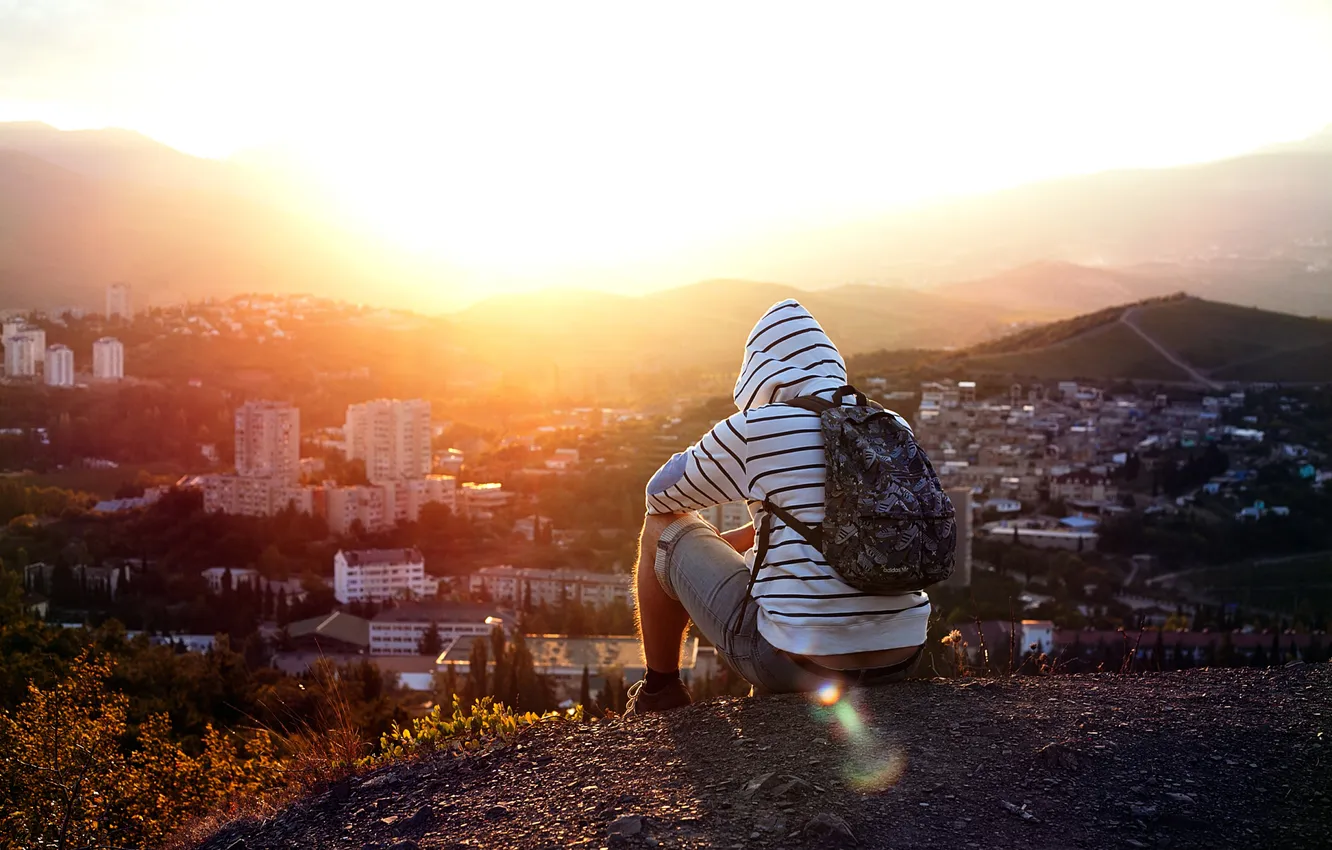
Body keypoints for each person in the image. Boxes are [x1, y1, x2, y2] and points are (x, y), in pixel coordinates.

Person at [627, 299, 929, 715]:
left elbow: (659, 494)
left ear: (758, 369)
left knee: (663, 529)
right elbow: (829, 525)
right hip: (902, 655)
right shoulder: (890, 424)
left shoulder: (761, 427)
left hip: (795, 666)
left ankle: (660, 689)